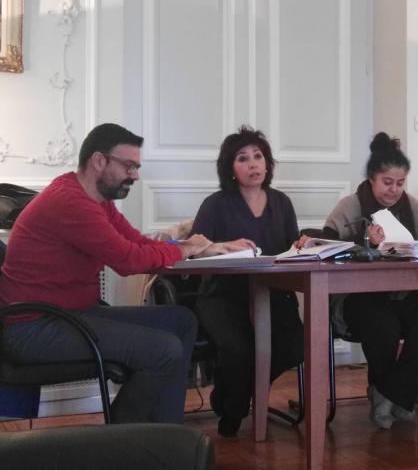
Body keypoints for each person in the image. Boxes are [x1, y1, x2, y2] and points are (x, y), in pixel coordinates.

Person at [0, 123, 247, 423]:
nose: (136, 175)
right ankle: (121, 439)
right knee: (162, 349)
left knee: (181, 321)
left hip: (72, 315)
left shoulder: (96, 201)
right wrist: (185, 249)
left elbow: (137, 242)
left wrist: (199, 248)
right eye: (129, 166)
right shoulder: (70, 202)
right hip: (33, 328)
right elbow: (128, 260)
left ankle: (165, 433)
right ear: (98, 160)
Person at [321, 132, 418, 430]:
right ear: (371, 179)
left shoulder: (411, 205)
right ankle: (397, 397)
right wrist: (363, 240)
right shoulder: (350, 206)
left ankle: (392, 393)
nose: (394, 190)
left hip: (405, 292)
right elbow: (326, 249)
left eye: (400, 183)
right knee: (383, 326)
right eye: (387, 182)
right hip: (358, 296)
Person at [190, 126, 304, 437]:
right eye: (243, 158)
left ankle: (233, 393)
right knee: (239, 349)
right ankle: (234, 410)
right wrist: (221, 247)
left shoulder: (281, 202)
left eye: (258, 156)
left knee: (295, 346)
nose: (253, 164)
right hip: (223, 295)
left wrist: (303, 245)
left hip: (274, 292)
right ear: (230, 168)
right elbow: (193, 249)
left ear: (268, 164)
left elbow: (291, 248)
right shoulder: (215, 204)